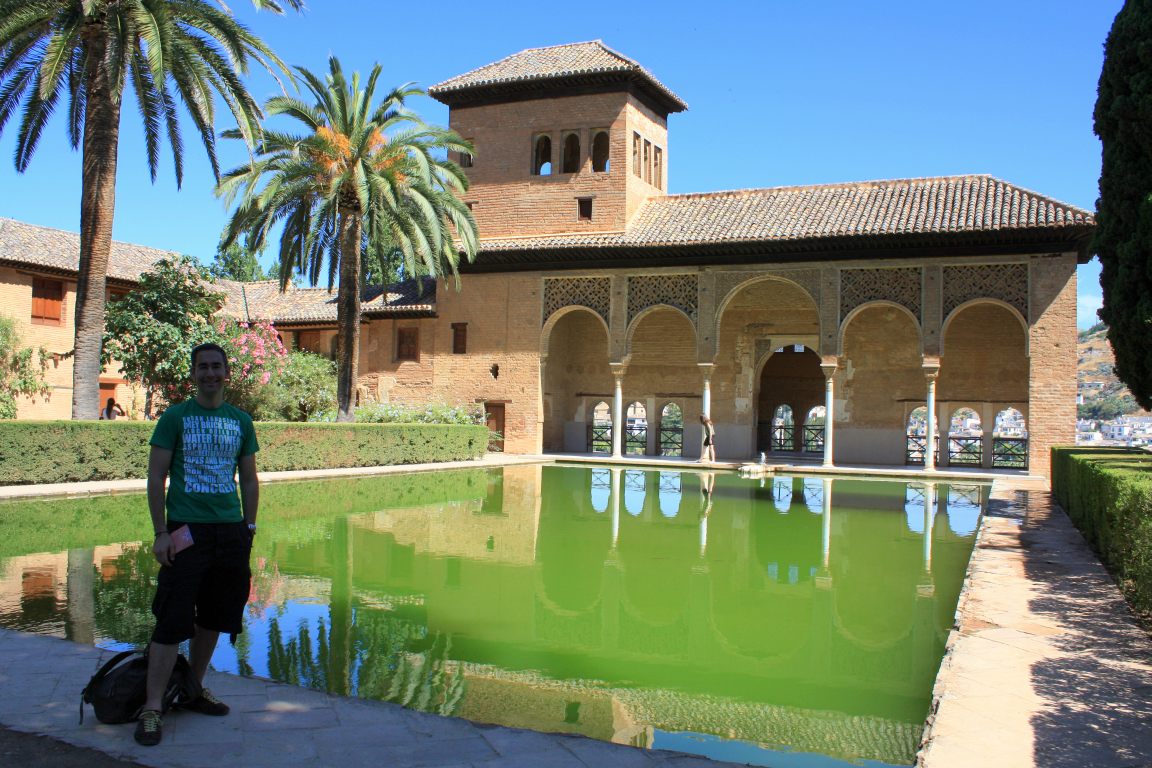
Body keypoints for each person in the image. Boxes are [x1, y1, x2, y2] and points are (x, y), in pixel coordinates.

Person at [135, 343, 259, 747]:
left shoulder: (240, 421)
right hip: (186, 531)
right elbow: (156, 479)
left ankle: (192, 688)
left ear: (227, 373)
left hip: (230, 531)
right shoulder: (175, 417)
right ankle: (152, 707)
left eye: (216, 366)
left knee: (212, 618)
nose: (210, 373)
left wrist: (249, 526)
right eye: (202, 367)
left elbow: (250, 479)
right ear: (193, 374)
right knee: (172, 618)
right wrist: (159, 533)